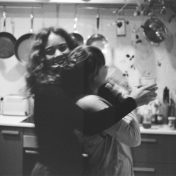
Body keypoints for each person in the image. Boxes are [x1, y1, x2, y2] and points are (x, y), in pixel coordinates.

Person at [25, 27, 157, 176]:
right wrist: (132, 102)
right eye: (50, 51)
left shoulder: (66, 85)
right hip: (52, 171)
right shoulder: (48, 90)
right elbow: (88, 124)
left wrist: (113, 89)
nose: (58, 54)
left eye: (63, 47)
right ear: (41, 57)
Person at [65, 45, 158, 176]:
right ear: (93, 74)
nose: (107, 69)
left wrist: (123, 97)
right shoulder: (92, 102)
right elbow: (134, 138)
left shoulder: (93, 98)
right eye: (103, 66)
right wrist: (130, 100)